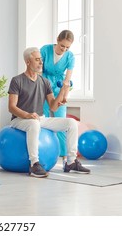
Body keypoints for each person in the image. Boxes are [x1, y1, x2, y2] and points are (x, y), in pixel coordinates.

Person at [8, 47, 90, 178]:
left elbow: (53, 107)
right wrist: (27, 115)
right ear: (28, 62)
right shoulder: (17, 80)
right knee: (34, 124)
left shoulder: (44, 82)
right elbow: (11, 107)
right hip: (20, 120)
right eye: (37, 60)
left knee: (71, 123)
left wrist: (62, 92)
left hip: (39, 118)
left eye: (41, 60)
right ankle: (34, 164)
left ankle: (71, 162)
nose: (41, 62)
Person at [40, 30, 75, 166]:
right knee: (44, 120)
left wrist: (64, 95)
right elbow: (38, 70)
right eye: (62, 46)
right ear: (57, 40)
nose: (64, 49)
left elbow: (67, 79)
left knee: (62, 123)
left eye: (67, 47)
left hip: (59, 89)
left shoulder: (70, 56)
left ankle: (66, 159)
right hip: (43, 86)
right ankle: (42, 152)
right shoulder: (45, 49)